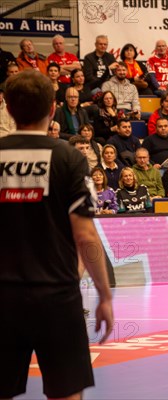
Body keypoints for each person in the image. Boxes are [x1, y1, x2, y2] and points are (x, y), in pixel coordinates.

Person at [0, 70, 113, 399]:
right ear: (53, 109)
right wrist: (105, 296)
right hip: (58, 299)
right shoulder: (69, 158)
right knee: (66, 394)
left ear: (7, 108)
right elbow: (86, 237)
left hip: (3, 298)